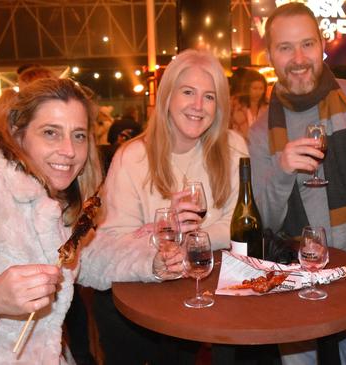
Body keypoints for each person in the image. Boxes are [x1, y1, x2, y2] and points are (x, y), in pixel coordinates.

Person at [0, 78, 183, 363]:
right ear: (17, 133)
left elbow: (85, 256)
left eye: (78, 135)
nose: (69, 151)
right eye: (51, 133)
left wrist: (150, 261)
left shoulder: (54, 199)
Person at [248, 3, 346, 364]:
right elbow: (262, 217)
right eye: (285, 48)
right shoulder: (260, 130)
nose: (298, 58)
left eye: (307, 44)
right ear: (270, 55)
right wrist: (281, 169)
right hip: (293, 275)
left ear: (322, 43)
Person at [91, 48, 248, 365]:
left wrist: (189, 236)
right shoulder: (132, 157)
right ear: (167, 97)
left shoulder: (233, 148)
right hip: (144, 298)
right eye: (188, 92)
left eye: (209, 96)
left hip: (212, 293)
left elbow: (239, 226)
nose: (197, 106)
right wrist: (164, 233)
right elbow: (109, 242)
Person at [231, 69, 269, 140]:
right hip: (239, 146)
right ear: (247, 88)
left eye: (261, 88)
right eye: (254, 88)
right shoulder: (235, 106)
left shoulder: (268, 107)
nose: (258, 92)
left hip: (261, 147)